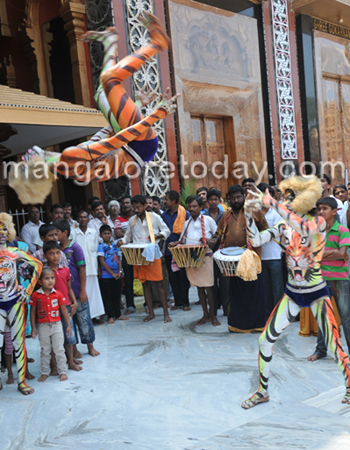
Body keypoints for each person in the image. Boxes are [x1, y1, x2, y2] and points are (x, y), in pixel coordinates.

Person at [17, 13, 178, 204]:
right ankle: (156, 44)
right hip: (137, 145)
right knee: (109, 80)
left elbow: (107, 134)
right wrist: (153, 116)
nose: (36, 152)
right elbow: (116, 140)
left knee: (100, 94)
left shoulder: (72, 167)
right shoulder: (70, 156)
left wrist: (135, 107)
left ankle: (110, 42)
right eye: (35, 156)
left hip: (133, 147)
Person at [241, 175, 350, 409]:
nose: (289, 202)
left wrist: (271, 203)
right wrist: (249, 215)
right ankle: (262, 391)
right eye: (288, 198)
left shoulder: (317, 224)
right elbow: (257, 239)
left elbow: (299, 225)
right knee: (264, 341)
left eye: (293, 198)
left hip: (316, 292)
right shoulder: (283, 226)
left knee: (333, 344)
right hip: (292, 293)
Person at [211, 185, 268, 331]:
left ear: (243, 197)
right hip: (232, 262)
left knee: (254, 292)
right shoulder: (226, 216)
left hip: (251, 259)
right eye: (233, 198)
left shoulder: (254, 211)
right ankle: (238, 326)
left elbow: (266, 230)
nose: (236, 200)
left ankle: (258, 325)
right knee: (237, 293)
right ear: (228, 200)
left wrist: (255, 240)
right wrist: (212, 240)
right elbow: (218, 233)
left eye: (238, 197)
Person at [0, 213, 42, 394]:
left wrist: (28, 289)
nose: (2, 232)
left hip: (15, 301)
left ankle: (21, 381)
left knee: (19, 342)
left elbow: (38, 265)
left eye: (4, 228)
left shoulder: (14, 252)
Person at [307, 197, 350, 362]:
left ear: (334, 211)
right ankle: (320, 351)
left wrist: (321, 253)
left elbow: (342, 254)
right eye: (319, 208)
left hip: (340, 280)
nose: (320, 212)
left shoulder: (343, 230)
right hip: (321, 279)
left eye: (325, 208)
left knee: (346, 317)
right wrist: (333, 253)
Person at [119, 194, 171, 323]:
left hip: (153, 254)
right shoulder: (132, 220)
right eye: (134, 207)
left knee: (159, 284)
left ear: (145, 206)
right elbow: (127, 237)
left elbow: (166, 230)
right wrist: (122, 241)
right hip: (139, 256)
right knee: (145, 284)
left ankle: (166, 314)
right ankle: (151, 313)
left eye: (138, 207)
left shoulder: (155, 217)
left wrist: (159, 235)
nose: (136, 210)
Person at [171, 195, 220, 326]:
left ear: (200, 207)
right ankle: (205, 315)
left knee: (209, 286)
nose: (191, 209)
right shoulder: (187, 223)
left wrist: (208, 241)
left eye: (194, 206)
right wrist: (174, 244)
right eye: (189, 206)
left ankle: (213, 316)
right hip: (192, 258)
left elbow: (217, 237)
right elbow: (182, 241)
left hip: (206, 256)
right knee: (199, 286)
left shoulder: (208, 220)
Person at [55, 220, 100, 358]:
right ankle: (74, 349)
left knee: (84, 318)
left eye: (57, 233)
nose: (55, 236)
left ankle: (90, 347)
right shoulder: (56, 250)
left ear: (65, 233)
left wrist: (83, 290)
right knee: (69, 322)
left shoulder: (75, 248)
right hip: (64, 293)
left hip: (77, 290)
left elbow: (82, 268)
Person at [42, 241, 80, 372]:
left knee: (69, 335)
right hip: (51, 309)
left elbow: (69, 289)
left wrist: (74, 302)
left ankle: (70, 361)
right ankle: (53, 365)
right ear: (45, 256)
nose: (55, 256)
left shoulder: (65, 270)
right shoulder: (45, 273)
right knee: (53, 337)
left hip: (66, 306)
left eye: (58, 252)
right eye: (51, 253)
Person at [30, 267, 71, 382]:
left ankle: (62, 371)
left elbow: (64, 310)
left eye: (52, 278)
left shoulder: (57, 294)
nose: (50, 281)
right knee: (45, 350)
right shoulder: (36, 296)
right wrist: (33, 327)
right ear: (40, 282)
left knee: (59, 349)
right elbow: (32, 312)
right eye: (46, 278)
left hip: (57, 325)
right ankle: (44, 372)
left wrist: (68, 325)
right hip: (43, 327)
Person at [71, 211, 105, 323]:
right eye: (80, 217)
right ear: (77, 220)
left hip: (92, 267)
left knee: (94, 293)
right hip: (80, 269)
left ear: (88, 219)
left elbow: (96, 250)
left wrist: (99, 268)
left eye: (85, 217)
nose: (83, 219)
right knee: (83, 292)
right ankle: (84, 318)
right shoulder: (73, 233)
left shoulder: (93, 232)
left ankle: (95, 317)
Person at [258, 183, 285, 317]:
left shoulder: (277, 212)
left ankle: (279, 315)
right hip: (260, 256)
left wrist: (260, 235)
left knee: (277, 288)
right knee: (265, 288)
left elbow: (277, 231)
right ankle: (268, 314)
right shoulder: (254, 212)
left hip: (274, 255)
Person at [162, 190, 191, 311]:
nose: (164, 201)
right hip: (169, 251)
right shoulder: (163, 215)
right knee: (173, 278)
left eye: (166, 199)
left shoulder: (186, 214)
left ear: (173, 201)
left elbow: (188, 231)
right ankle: (177, 302)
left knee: (183, 277)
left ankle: (185, 303)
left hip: (182, 250)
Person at [98, 225, 128, 324]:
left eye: (109, 233)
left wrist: (119, 272)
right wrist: (112, 273)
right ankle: (110, 316)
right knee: (108, 296)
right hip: (106, 276)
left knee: (117, 295)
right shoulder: (101, 246)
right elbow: (102, 261)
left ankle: (118, 314)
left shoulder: (115, 245)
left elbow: (119, 259)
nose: (107, 235)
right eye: (105, 234)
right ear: (101, 235)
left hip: (117, 275)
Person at [204, 188, 226, 313]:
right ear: (207, 201)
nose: (213, 202)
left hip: (222, 251)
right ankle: (215, 304)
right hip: (208, 252)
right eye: (211, 199)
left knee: (223, 280)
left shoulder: (224, 215)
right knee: (211, 279)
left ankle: (225, 304)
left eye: (215, 199)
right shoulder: (203, 216)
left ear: (219, 200)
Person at [115, 195, 135, 315]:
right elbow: (117, 233)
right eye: (123, 203)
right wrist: (132, 234)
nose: (125, 205)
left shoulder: (137, 217)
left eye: (127, 202)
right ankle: (130, 305)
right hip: (126, 253)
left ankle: (148, 304)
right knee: (128, 280)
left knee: (144, 279)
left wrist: (126, 234)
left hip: (139, 252)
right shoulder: (119, 219)